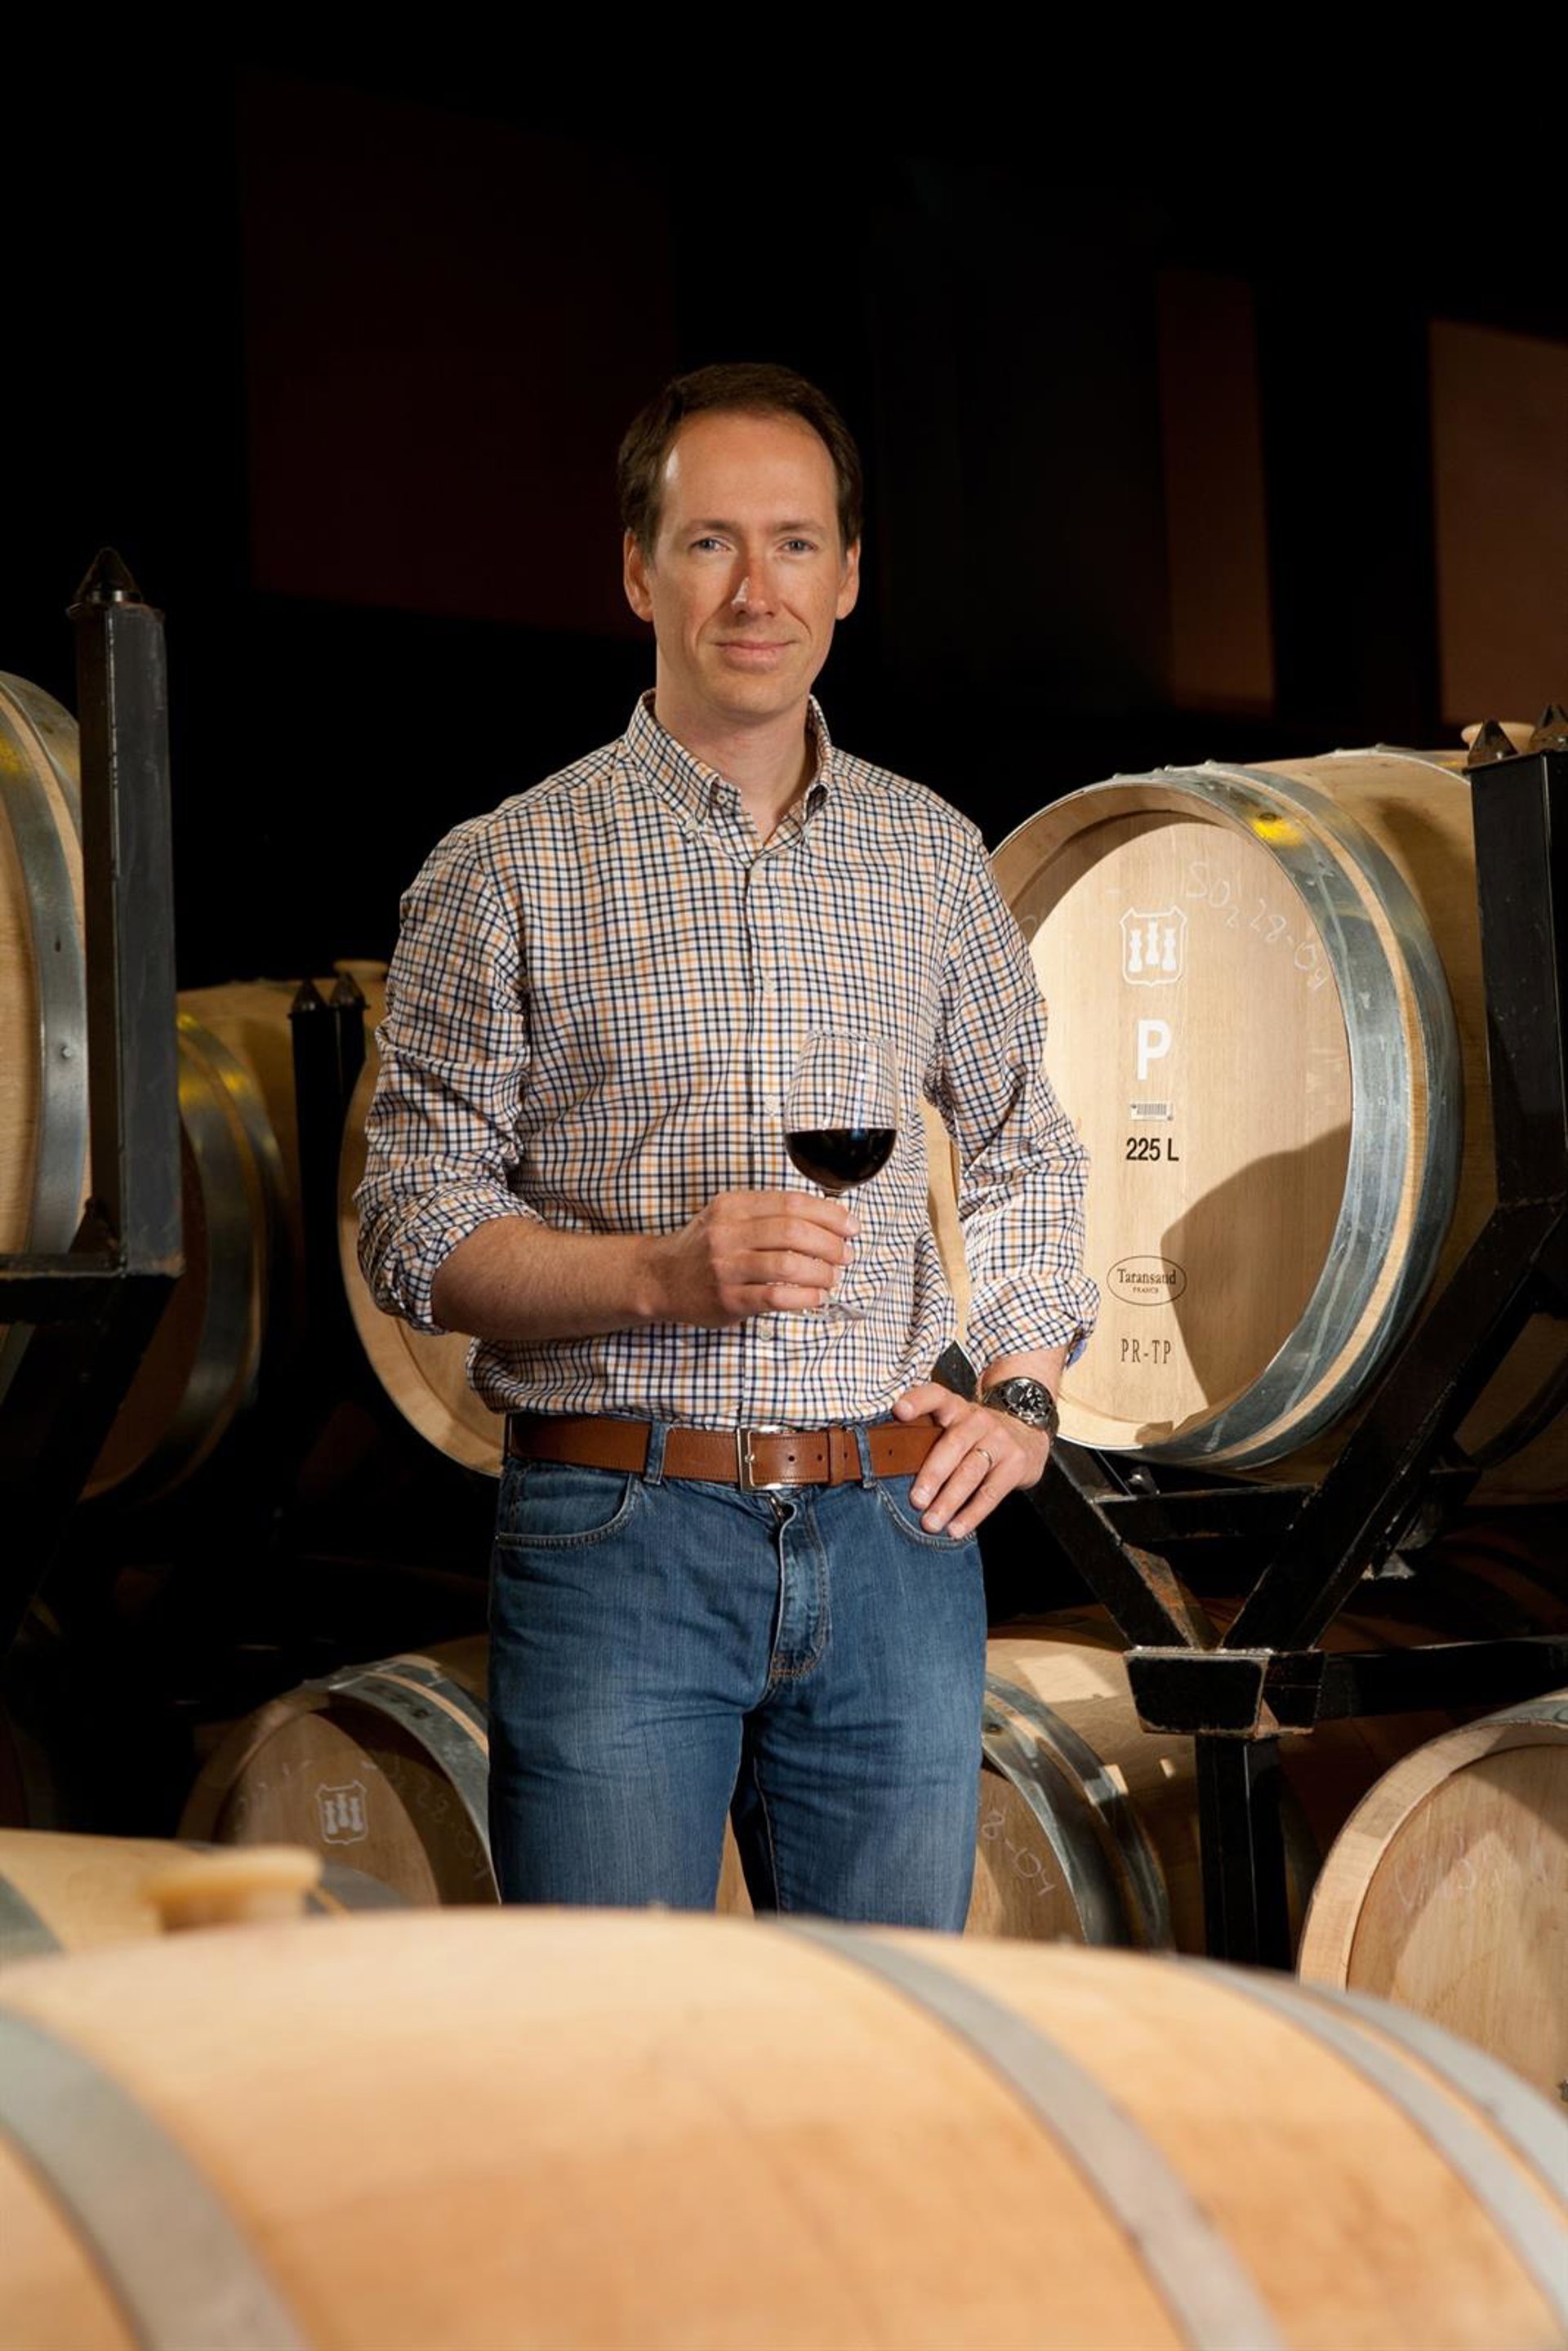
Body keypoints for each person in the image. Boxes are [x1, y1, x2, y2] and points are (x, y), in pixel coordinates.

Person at [357, 362, 1096, 1930]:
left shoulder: (932, 856)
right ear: (639, 572)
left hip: (895, 1535)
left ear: (848, 575)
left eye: (796, 543)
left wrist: (1023, 1393)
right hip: (618, 1534)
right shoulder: (504, 870)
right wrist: (661, 1275)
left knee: (888, 2042)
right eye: (710, 544)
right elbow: (411, 1228)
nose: (758, 590)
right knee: (619, 2042)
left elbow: (1027, 1148)